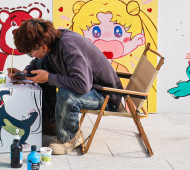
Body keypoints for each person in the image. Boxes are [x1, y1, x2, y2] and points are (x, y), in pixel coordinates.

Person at [11, 18, 123, 155]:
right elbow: (39, 62)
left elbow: (82, 85)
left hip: (106, 95)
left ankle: (69, 138)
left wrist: (49, 78)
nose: (31, 55)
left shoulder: (68, 46)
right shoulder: (53, 40)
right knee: (42, 64)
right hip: (91, 88)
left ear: (43, 47)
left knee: (66, 95)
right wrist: (25, 73)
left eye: (30, 53)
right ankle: (51, 121)